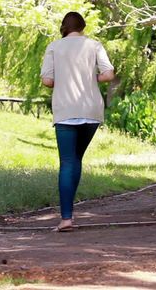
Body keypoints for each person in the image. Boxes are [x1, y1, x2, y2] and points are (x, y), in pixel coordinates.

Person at [40, 12, 115, 232]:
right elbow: (108, 74)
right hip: (91, 110)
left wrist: (63, 79)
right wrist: (92, 78)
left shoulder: (54, 47)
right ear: (83, 26)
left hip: (66, 110)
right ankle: (69, 213)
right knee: (76, 159)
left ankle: (66, 218)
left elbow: (47, 81)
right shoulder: (94, 45)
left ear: (64, 27)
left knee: (67, 162)